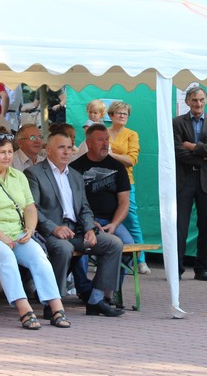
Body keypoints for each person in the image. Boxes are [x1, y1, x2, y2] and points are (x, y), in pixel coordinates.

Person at [0, 131, 70, 330]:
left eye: (10, 152)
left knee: (39, 256)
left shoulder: (18, 176)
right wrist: (0, 236)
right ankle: (25, 310)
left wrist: (30, 229)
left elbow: (30, 208)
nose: (7, 156)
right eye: (2, 152)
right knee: (6, 256)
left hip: (14, 233)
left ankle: (56, 308)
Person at [26, 130, 124, 317]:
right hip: (49, 232)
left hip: (76, 231)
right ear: (48, 150)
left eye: (69, 148)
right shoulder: (34, 173)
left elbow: (84, 208)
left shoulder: (76, 175)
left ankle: (96, 300)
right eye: (61, 147)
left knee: (114, 243)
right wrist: (54, 228)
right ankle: (52, 303)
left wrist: (89, 229)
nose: (66, 152)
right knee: (64, 249)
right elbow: (32, 208)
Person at [70, 124, 134, 295]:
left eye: (107, 139)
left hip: (111, 221)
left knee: (129, 246)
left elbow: (124, 202)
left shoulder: (118, 167)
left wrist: (114, 224)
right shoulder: (75, 168)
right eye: (100, 140)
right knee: (82, 249)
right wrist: (89, 224)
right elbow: (72, 203)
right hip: (83, 223)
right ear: (89, 143)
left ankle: (108, 291)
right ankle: (85, 291)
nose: (106, 143)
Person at [172, 85, 207, 281]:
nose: (198, 104)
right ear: (187, 102)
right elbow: (178, 151)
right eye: (194, 100)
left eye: (202, 100)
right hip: (184, 179)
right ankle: (176, 268)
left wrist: (194, 147)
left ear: (206, 102)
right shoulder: (177, 123)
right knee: (180, 226)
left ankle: (203, 269)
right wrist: (204, 156)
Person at [106, 100, 149, 273]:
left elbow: (131, 160)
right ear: (111, 115)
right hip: (104, 182)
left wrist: (110, 155)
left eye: (125, 114)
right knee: (104, 216)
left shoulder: (132, 135)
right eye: (119, 113)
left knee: (131, 218)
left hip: (126, 182)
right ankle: (106, 256)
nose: (123, 116)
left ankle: (141, 260)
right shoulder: (103, 132)